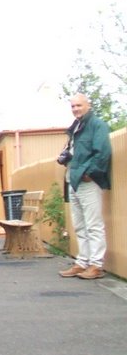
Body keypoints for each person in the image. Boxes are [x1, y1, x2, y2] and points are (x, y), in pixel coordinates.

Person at [58, 93, 112, 280]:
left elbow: (102, 153)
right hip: (73, 179)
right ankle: (83, 262)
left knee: (93, 224)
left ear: (88, 105)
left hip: (88, 181)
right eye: (73, 106)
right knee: (80, 225)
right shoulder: (75, 127)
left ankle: (96, 265)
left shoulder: (98, 125)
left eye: (79, 105)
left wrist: (89, 173)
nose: (75, 109)